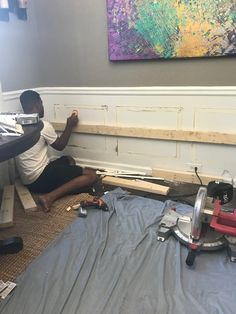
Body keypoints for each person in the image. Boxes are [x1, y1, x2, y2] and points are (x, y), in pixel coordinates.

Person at [16, 90, 97, 212]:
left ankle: (61, 186)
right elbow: (60, 146)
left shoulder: (16, 125)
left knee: (68, 159)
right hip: (39, 177)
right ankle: (49, 197)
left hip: (27, 180)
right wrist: (69, 125)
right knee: (91, 176)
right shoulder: (42, 126)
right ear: (37, 104)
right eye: (41, 103)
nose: (43, 107)